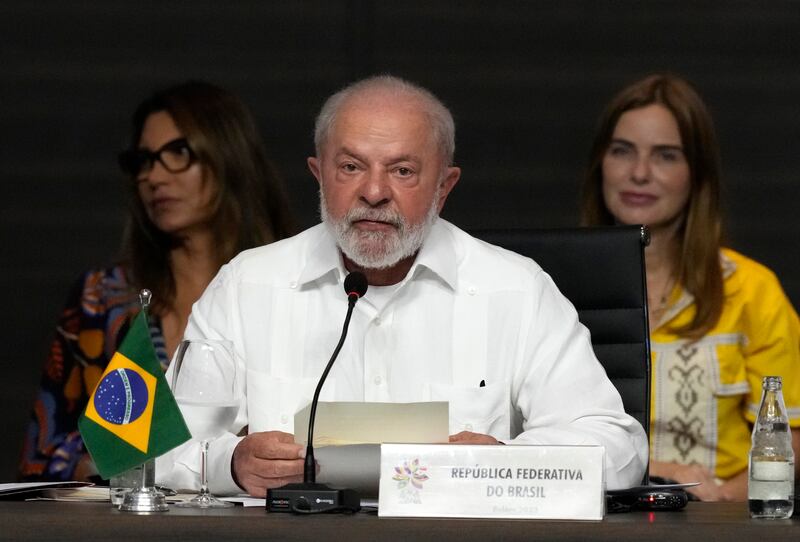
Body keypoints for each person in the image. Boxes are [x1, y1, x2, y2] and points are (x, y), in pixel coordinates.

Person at [157, 75, 648, 497]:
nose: (373, 192)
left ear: (444, 187)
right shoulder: (248, 285)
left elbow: (619, 450)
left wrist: (505, 460)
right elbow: (151, 450)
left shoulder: (516, 290)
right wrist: (232, 464)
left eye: (403, 171)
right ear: (319, 175)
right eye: (350, 167)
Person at [19, 81, 296, 481]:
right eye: (144, 161)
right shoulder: (102, 298)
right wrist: (102, 463)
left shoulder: (289, 287)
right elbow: (38, 457)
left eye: (177, 154)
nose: (154, 176)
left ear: (228, 156)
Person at [581, 73, 800, 501]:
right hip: (592, 518)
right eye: (623, 151)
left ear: (697, 175)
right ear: (600, 164)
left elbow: (791, 436)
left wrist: (723, 497)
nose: (639, 173)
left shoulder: (753, 290)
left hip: (714, 521)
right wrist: (657, 472)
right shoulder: (549, 287)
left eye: (666, 156)